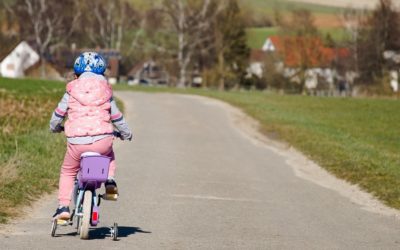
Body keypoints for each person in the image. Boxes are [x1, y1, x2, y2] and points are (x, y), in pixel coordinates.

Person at [49, 52, 132, 220]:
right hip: (103, 139)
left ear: (76, 73)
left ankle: (63, 207)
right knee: (109, 155)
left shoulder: (71, 91)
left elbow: (58, 115)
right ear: (102, 73)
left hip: (77, 142)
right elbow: (116, 117)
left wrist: (55, 127)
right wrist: (126, 133)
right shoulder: (106, 92)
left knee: (68, 171)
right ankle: (109, 180)